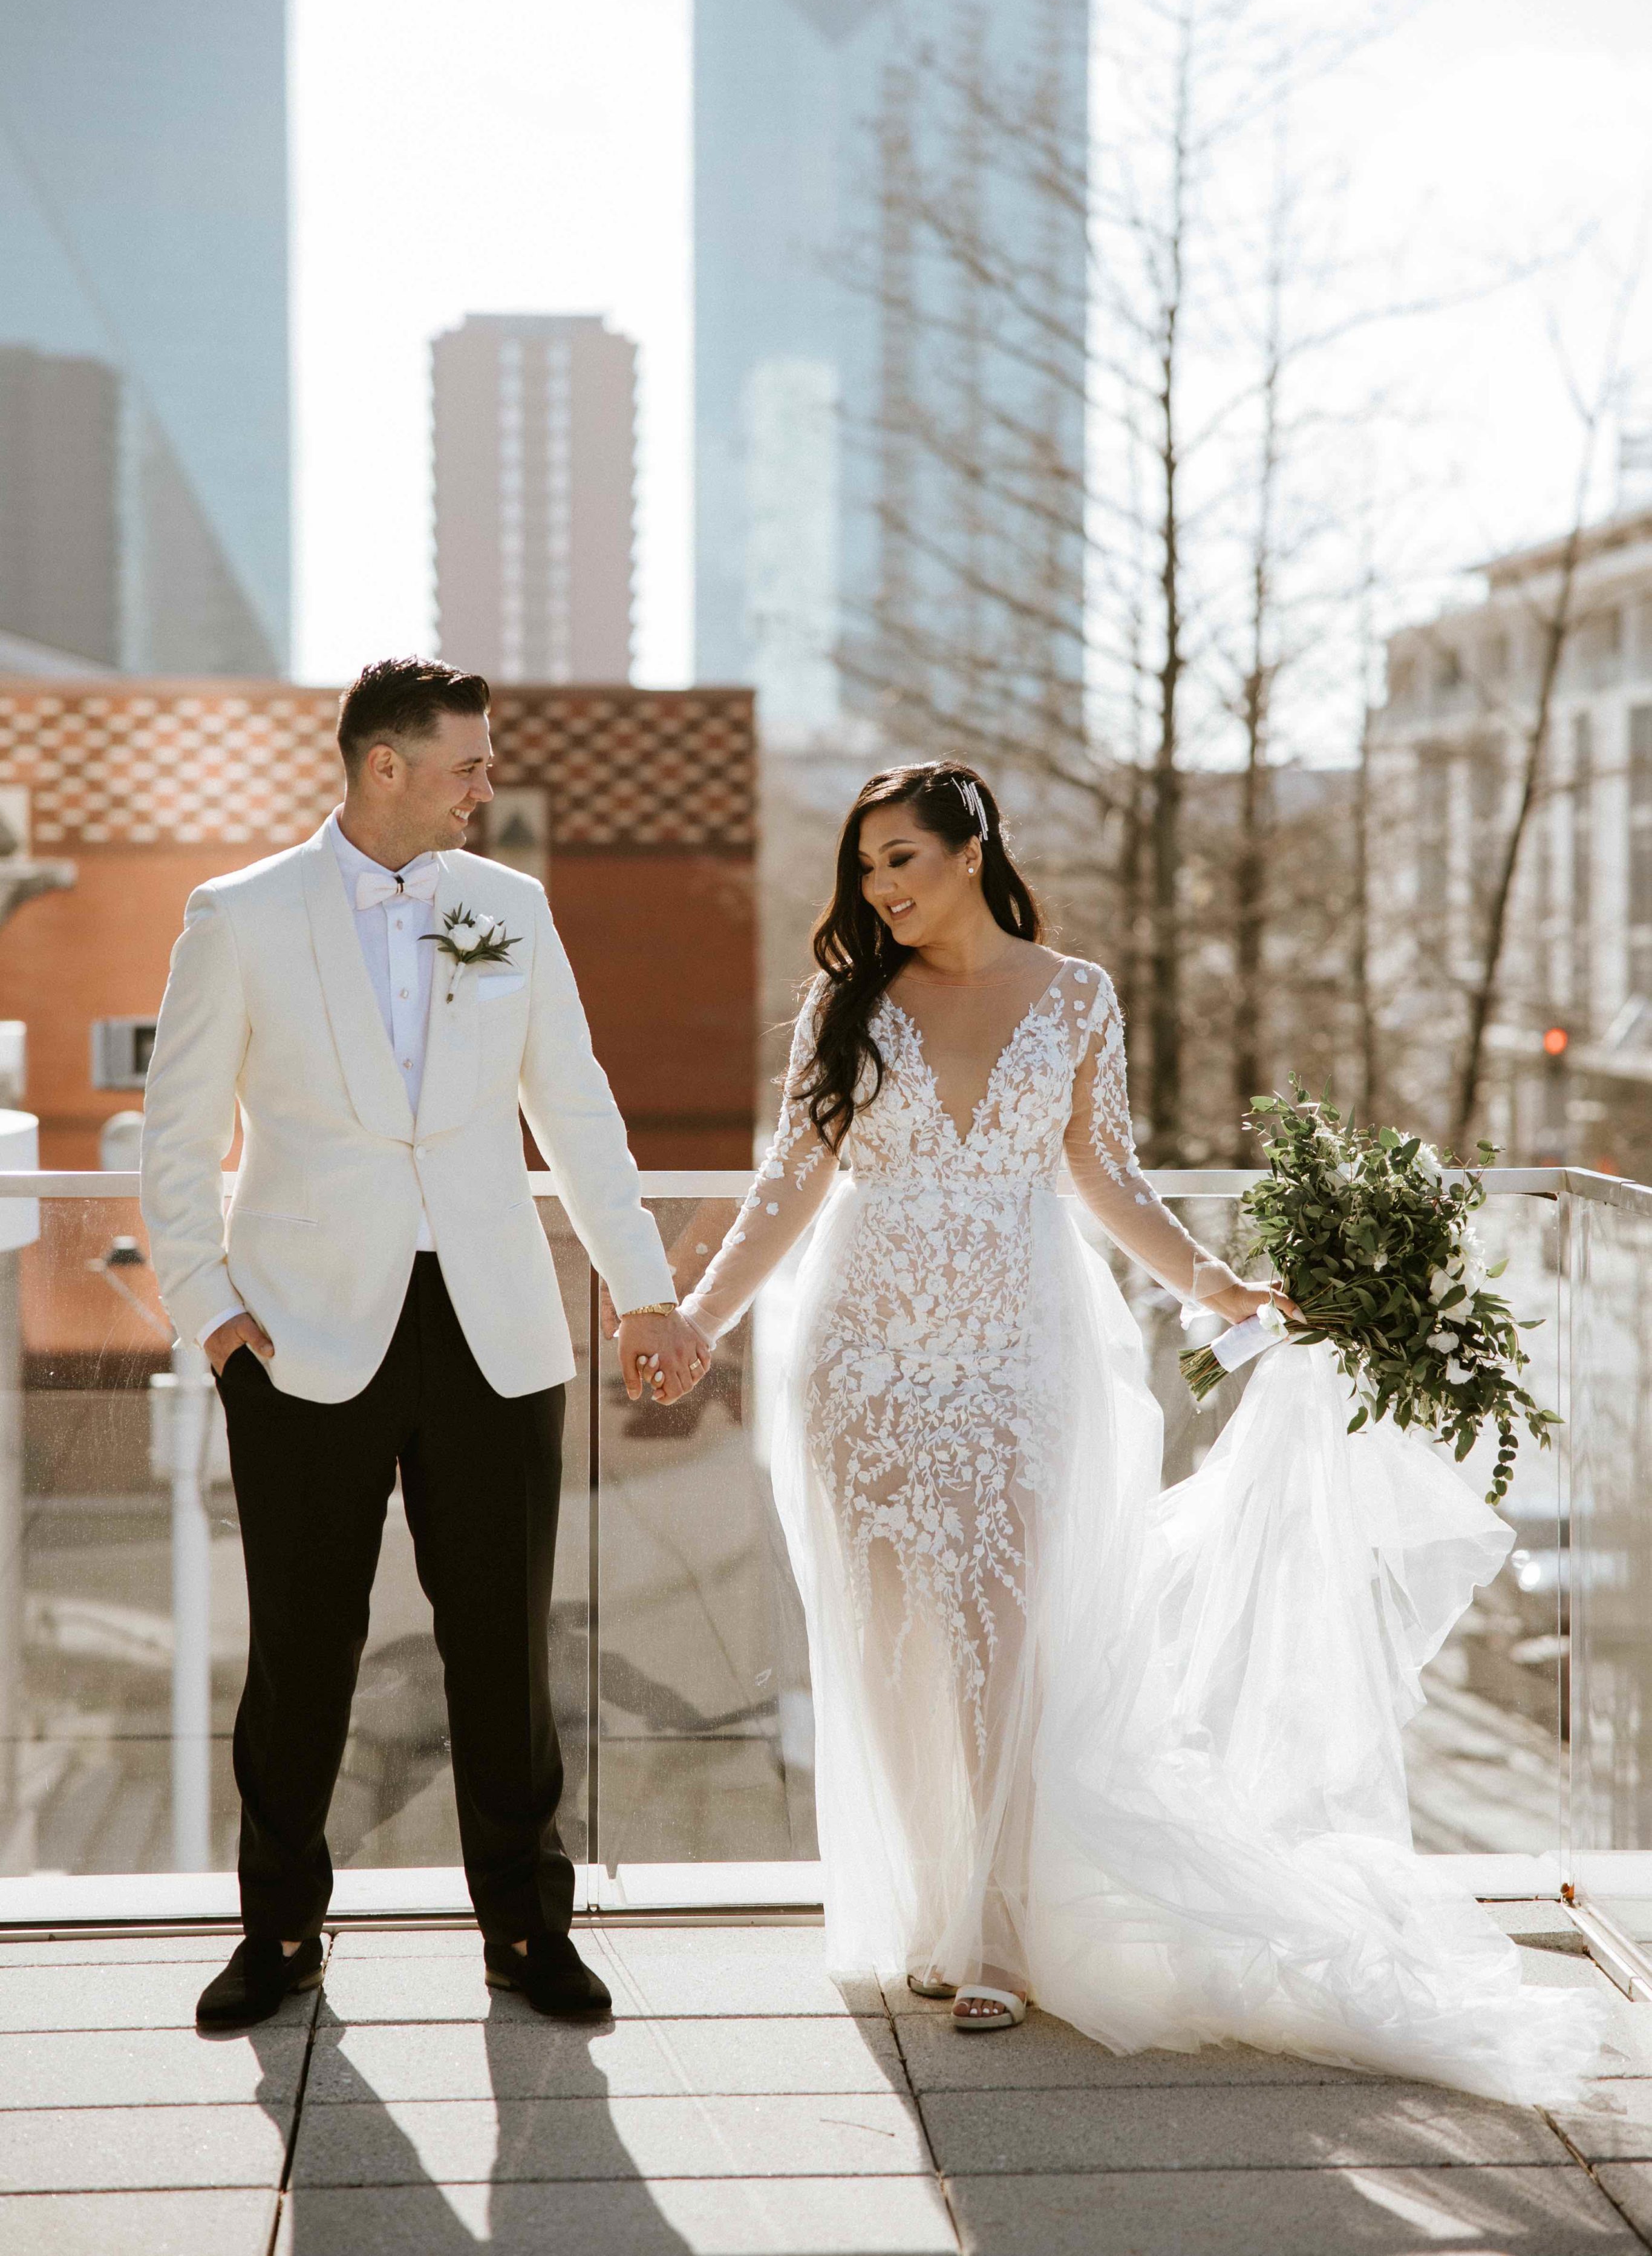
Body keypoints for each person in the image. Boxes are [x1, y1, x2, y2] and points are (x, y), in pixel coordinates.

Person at [666, 758, 1605, 2101]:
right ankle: (931, 1909)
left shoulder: (1074, 995)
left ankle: (997, 1930)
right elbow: (786, 1183)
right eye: (864, 866)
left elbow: (1103, 1172)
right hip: (859, 1356)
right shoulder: (846, 999)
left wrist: (1211, 1283)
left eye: (901, 859)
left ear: (971, 849)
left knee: (1002, 1636)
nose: (880, 887)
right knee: (891, 1644)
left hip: (1013, 1354)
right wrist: (700, 1320)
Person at [140, 656, 708, 2031]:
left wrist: (643, 1290)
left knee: (505, 1648)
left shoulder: (503, 907)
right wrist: (211, 1314)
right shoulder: (239, 913)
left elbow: (573, 1105)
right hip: (298, 1336)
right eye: (467, 762)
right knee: (303, 1649)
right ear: (382, 764)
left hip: (494, 1331)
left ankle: (525, 1926)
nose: (487, 783)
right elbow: (177, 1137)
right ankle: (278, 1931)